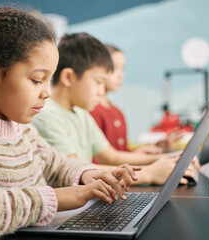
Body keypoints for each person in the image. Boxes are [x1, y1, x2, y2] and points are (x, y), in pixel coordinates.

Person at [0, 8, 139, 240]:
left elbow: (56, 165)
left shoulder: (23, 131)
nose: (48, 92)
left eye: (48, 80)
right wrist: (53, 198)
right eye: (37, 80)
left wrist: (87, 175)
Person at [32, 32, 199, 185]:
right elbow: (80, 170)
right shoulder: (47, 116)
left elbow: (112, 156)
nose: (101, 91)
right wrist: (149, 173)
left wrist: (169, 159)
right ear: (68, 77)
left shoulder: (81, 113)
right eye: (98, 82)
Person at [90, 44, 181, 157]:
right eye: (114, 68)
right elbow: (102, 161)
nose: (121, 75)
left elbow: (120, 154)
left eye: (122, 69)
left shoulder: (117, 111)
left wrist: (154, 149)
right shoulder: (91, 111)